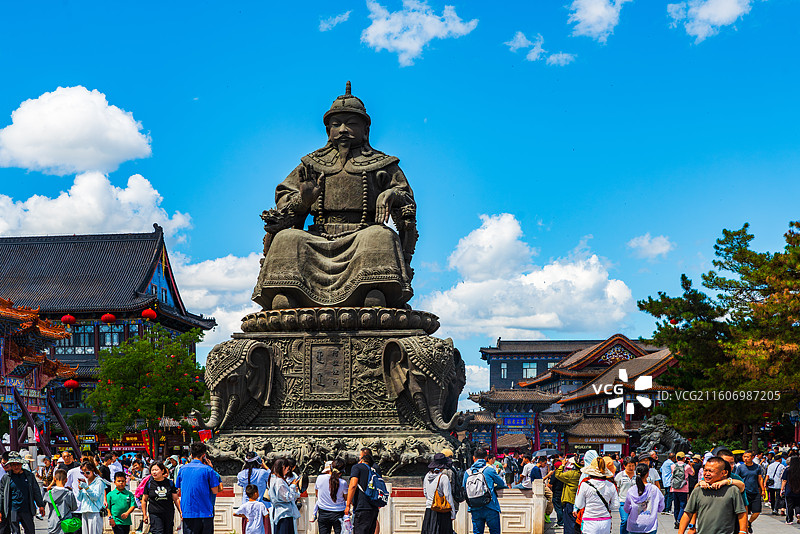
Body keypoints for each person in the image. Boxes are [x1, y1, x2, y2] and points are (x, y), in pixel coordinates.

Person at [253, 82, 416, 310]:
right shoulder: (311, 164)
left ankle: (372, 289)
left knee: (381, 237)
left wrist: (391, 194)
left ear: (365, 130)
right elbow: (284, 201)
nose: (343, 130)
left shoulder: (382, 164)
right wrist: (304, 200)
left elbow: (407, 199)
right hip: (318, 236)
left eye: (351, 124)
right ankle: (290, 292)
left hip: (362, 234)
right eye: (336, 124)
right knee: (287, 239)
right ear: (328, 130)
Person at [678, 457, 746, 534]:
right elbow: (688, 513)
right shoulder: (699, 490)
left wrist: (742, 531)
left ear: (724, 473)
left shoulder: (732, 490)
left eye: (711, 471)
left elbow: (741, 512)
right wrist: (681, 532)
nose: (707, 473)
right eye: (705, 470)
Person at [176, 442, 222, 534]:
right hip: (205, 511)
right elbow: (215, 490)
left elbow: (178, 488)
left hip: (188, 511)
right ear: (204, 455)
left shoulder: (182, 469)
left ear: (191, 454)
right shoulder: (208, 470)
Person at [462, 448, 507, 534]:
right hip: (490, 505)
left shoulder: (467, 472)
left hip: (474, 506)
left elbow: (464, 488)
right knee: (495, 532)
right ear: (486, 458)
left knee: (477, 532)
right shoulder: (489, 470)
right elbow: (501, 483)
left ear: (473, 457)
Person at [0, 451, 45, 534]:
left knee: (30, 530)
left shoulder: (29, 476)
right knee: (15, 531)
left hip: (26, 509)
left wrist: (40, 505)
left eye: (18, 464)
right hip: (13, 510)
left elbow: (36, 490)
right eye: (13, 464)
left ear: (21, 464)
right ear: (10, 465)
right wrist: (0, 510)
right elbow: (2, 495)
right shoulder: (6, 478)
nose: (16, 466)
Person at [573, 456, 619, 534]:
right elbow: (616, 505)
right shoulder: (611, 485)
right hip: (605, 522)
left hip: (589, 521)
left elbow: (579, 505)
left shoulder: (585, 485)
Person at [345, 448, 382, 534]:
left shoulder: (357, 467)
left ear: (363, 457)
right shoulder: (376, 468)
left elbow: (353, 485)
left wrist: (347, 505)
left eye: (360, 455)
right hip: (374, 506)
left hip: (361, 506)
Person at [624, 463, 665, 534]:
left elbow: (626, 508)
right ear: (647, 474)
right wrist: (656, 509)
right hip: (650, 525)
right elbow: (661, 505)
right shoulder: (654, 489)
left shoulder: (631, 490)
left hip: (634, 525)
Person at [141, 462, 181, 534]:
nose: (154, 472)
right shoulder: (149, 484)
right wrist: (144, 515)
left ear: (162, 471)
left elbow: (176, 499)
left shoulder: (169, 483)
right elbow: (144, 500)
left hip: (168, 513)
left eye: (156, 470)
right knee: (158, 532)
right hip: (155, 513)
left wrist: (181, 512)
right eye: (152, 470)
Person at [422, 454, 455, 534]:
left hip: (429, 509)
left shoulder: (427, 476)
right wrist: (453, 513)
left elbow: (425, 492)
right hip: (441, 510)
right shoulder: (443, 477)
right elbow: (448, 496)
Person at [734, 450, 766, 532]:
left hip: (755, 492)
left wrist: (763, 489)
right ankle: (745, 528)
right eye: (744, 457)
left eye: (747, 457)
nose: (745, 458)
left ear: (752, 457)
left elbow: (760, 478)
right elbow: (737, 479)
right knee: (745, 511)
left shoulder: (757, 467)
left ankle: (749, 522)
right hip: (744, 492)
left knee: (757, 511)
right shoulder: (740, 467)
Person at [315, 458, 348, 534]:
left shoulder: (319, 478)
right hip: (338, 513)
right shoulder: (343, 483)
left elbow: (317, 494)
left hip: (323, 512)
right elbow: (346, 498)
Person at [269, 458, 301, 534]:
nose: (288, 471)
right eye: (287, 468)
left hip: (279, 512)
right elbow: (287, 497)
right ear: (283, 467)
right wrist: (293, 486)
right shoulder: (279, 481)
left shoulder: (273, 478)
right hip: (284, 513)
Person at [45, 468, 78, 534]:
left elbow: (43, 502)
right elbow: (74, 508)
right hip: (66, 524)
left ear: (54, 479)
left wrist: (50, 485)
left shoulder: (49, 494)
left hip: (53, 523)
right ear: (66, 480)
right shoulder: (69, 494)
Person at [76, 461, 105, 534]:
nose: (85, 475)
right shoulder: (85, 481)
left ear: (92, 470)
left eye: (87, 472)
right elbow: (79, 499)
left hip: (95, 511)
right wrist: (80, 490)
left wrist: (86, 488)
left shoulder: (99, 481)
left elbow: (95, 497)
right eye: (83, 473)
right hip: (84, 510)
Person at [555, 456, 581, 534]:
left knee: (569, 524)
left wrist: (562, 465)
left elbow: (558, 474)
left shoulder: (571, 474)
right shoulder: (582, 474)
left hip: (570, 501)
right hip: (580, 501)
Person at [614, 457, 636, 534]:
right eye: (629, 466)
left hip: (635, 502)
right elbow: (616, 489)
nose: (631, 468)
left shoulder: (637, 476)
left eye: (633, 466)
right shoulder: (620, 476)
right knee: (625, 520)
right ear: (625, 466)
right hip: (623, 501)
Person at [781, 455, 800, 524]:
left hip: (789, 490)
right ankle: (798, 514)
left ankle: (789, 520)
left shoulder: (787, 470)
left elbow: (784, 480)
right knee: (798, 504)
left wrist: (782, 489)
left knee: (789, 505)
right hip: (798, 490)